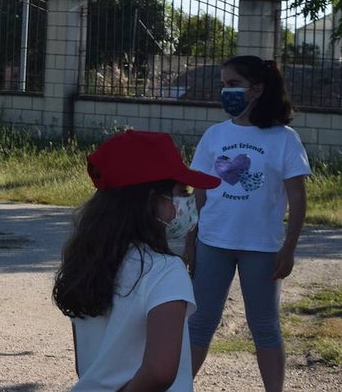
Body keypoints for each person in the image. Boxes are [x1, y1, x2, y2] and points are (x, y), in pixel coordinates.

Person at [53, 130, 221, 392]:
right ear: (151, 200)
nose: (189, 202)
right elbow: (160, 371)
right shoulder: (166, 271)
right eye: (181, 191)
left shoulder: (86, 263)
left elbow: (87, 364)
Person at [185, 55, 311, 392]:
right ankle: (178, 387)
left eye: (232, 85)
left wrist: (290, 247)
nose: (225, 91)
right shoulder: (214, 135)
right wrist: (191, 240)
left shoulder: (284, 138)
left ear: (256, 89)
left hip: (262, 248)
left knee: (265, 327)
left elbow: (297, 198)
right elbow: (200, 190)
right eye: (223, 85)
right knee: (198, 324)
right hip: (212, 243)